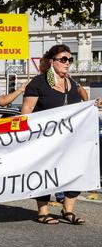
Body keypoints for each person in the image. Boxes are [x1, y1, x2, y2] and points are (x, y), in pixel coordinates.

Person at [21, 44, 89, 225]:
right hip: (45, 140)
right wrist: (27, 135)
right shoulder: (38, 83)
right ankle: (43, 211)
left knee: (75, 171)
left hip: (71, 140)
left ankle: (68, 210)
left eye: (70, 59)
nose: (67, 63)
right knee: (45, 172)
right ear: (52, 62)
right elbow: (27, 110)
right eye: (63, 59)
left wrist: (92, 105)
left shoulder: (72, 83)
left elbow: (82, 105)